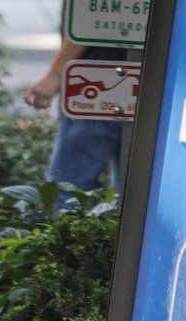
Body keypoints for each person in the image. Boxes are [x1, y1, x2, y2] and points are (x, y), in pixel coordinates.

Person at [23, 35, 128, 199]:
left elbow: (89, 20)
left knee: (68, 191)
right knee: (139, 197)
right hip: (149, 87)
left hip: (97, 86)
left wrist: (56, 73)